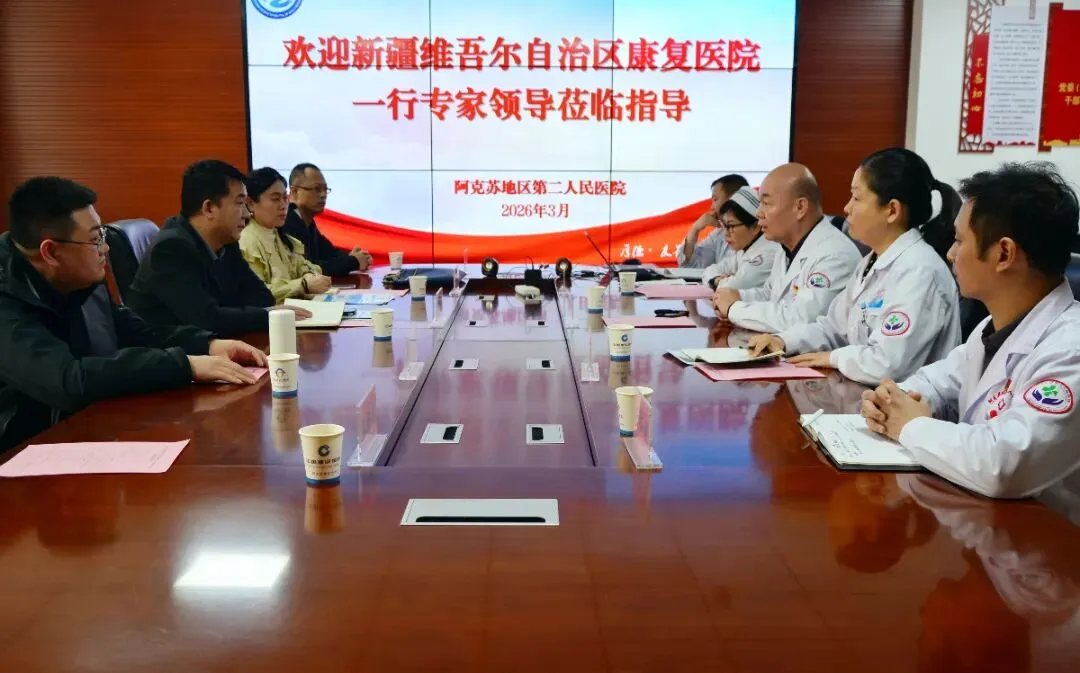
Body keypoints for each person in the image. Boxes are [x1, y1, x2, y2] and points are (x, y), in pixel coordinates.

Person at [862, 162, 1080, 499]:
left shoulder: (1070, 349)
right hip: (979, 513)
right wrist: (891, 401)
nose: (950, 254)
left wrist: (909, 424)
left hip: (1047, 527)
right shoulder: (991, 328)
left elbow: (1003, 465)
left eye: (959, 240)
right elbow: (937, 382)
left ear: (1004, 253)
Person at [0, 177, 266, 451]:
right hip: (22, 450)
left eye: (103, 236)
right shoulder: (6, 297)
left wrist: (209, 344)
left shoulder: (79, 277)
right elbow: (68, 380)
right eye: (95, 240)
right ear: (51, 252)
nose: (105, 248)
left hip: (88, 427)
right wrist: (185, 366)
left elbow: (137, 333)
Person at [747, 148, 962, 385]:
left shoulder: (919, 270)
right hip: (862, 394)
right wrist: (784, 341)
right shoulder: (870, 262)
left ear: (892, 210)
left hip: (902, 402)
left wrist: (833, 357)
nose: (847, 208)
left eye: (857, 198)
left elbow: (887, 364)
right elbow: (833, 327)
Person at [126, 160, 309, 336]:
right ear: (209, 209)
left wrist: (242, 312)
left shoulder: (227, 243)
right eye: (240, 203)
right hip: (170, 352)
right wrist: (268, 314)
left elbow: (262, 297)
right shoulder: (170, 249)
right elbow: (208, 319)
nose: (247, 213)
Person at [711, 163, 862, 332]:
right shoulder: (786, 247)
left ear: (800, 207)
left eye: (766, 203)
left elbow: (800, 320)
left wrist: (734, 308)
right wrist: (739, 296)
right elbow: (771, 294)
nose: (758, 213)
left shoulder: (834, 255)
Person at [239, 167, 332, 301]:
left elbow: (304, 266)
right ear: (250, 203)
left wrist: (309, 275)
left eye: (284, 198)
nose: (283, 205)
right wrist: (303, 285)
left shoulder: (280, 236)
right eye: (275, 199)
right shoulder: (247, 241)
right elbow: (256, 293)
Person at [282, 163, 372, 276]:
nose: (323, 195)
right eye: (317, 189)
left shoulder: (308, 223)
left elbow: (330, 253)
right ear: (295, 191)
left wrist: (356, 257)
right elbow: (310, 268)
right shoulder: (287, 222)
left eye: (325, 189)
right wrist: (354, 261)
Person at [700, 186, 780, 291]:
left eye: (730, 226)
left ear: (755, 227)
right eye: (724, 226)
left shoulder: (768, 252)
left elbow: (735, 287)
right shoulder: (744, 251)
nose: (725, 234)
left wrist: (717, 281)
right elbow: (710, 270)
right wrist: (716, 279)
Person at [675, 174, 749, 269]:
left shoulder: (759, 232)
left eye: (715, 199)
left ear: (733, 198)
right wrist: (694, 229)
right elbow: (690, 267)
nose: (712, 207)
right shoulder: (719, 234)